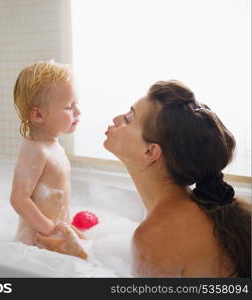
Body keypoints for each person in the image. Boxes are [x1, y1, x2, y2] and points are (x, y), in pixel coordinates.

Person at [104, 80, 251, 277]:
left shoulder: (155, 234)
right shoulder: (203, 211)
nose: (116, 119)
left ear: (150, 151)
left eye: (129, 118)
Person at [10, 60, 87, 259]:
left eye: (76, 104)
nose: (78, 112)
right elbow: (19, 198)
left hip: (51, 237)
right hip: (34, 244)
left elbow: (57, 197)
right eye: (69, 107)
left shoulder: (53, 145)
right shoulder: (36, 150)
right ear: (38, 115)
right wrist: (51, 231)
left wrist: (65, 226)